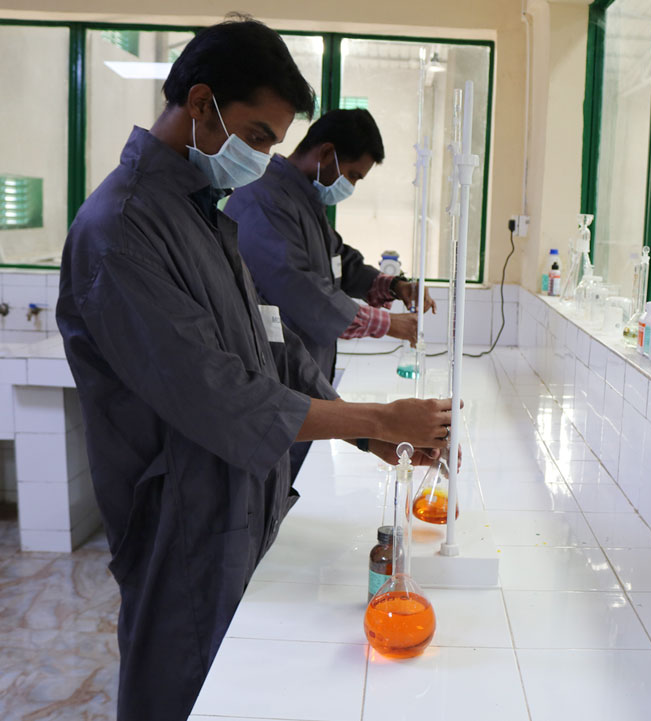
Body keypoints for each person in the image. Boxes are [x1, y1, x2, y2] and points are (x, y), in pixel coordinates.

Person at [56, 18, 451, 721]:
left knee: (231, 686)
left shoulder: (203, 215)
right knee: (179, 684)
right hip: (181, 517)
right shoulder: (121, 229)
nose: (265, 159)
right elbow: (216, 394)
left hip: (234, 500)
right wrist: (376, 416)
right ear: (201, 104)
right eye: (259, 137)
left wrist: (369, 433)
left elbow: (270, 342)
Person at [225, 108, 435, 383]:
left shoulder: (305, 198)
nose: (351, 186)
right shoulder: (264, 199)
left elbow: (337, 260)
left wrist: (394, 286)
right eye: (352, 175)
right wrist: (387, 324)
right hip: (274, 368)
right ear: (326, 154)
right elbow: (298, 288)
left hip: (304, 367)